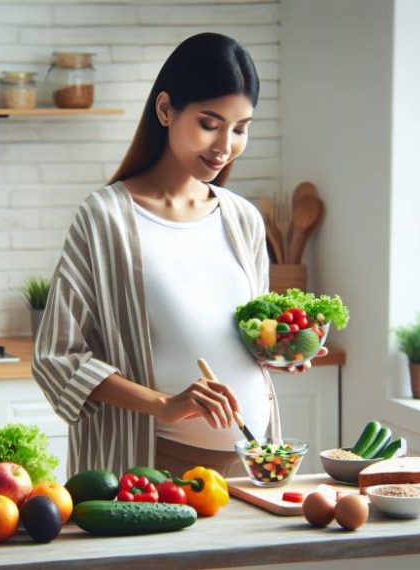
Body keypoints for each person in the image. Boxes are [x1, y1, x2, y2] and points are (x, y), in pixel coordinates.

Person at [32, 32, 326, 478]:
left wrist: (279, 350)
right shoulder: (106, 217)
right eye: (210, 123)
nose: (225, 146)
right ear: (166, 109)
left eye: (241, 128)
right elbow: (57, 356)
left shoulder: (242, 218)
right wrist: (166, 405)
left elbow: (237, 337)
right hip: (150, 472)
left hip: (251, 467)